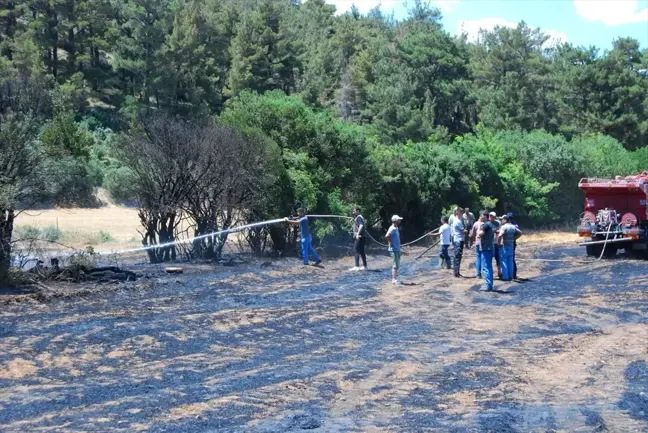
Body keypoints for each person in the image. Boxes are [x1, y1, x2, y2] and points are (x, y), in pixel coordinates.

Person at [498, 214, 522, 281]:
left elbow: (500, 235)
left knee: (504, 261)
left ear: (506, 220)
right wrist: (514, 238)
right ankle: (510, 276)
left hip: (504, 245)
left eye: (503, 219)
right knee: (510, 261)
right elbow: (520, 233)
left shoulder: (504, 227)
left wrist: (499, 243)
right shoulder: (513, 226)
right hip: (511, 245)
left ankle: (505, 276)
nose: (502, 220)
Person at [477, 210, 496, 291]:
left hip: (486, 249)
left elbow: (479, 234)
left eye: (481, 216)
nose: (480, 217)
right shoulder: (491, 224)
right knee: (489, 267)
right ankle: (490, 284)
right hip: (490, 248)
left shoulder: (486, 225)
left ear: (485, 216)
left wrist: (479, 226)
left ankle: (489, 286)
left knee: (486, 267)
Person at [386, 215, 403, 285]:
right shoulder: (392, 228)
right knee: (395, 265)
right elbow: (387, 236)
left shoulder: (396, 228)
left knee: (397, 265)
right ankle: (394, 279)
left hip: (397, 249)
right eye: (399, 220)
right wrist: (390, 242)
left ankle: (395, 278)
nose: (400, 221)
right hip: (394, 249)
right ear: (396, 221)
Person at [349, 207, 367, 271]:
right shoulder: (358, 218)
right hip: (362, 236)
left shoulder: (359, 217)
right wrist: (353, 221)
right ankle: (365, 266)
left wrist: (357, 234)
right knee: (362, 251)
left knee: (356, 249)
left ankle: (356, 266)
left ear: (357, 211)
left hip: (360, 236)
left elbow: (361, 225)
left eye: (354, 211)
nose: (353, 212)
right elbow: (357, 225)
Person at [452, 207, 467, 277]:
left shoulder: (456, 220)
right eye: (461, 213)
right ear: (458, 213)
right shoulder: (458, 221)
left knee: (457, 256)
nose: (462, 214)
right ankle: (456, 272)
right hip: (459, 240)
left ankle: (456, 271)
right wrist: (467, 231)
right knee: (458, 256)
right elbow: (463, 230)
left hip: (457, 240)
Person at [470, 211, 486, 279]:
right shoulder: (485, 224)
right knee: (483, 258)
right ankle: (484, 273)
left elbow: (472, 234)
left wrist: (473, 241)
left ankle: (478, 274)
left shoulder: (475, 224)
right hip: (484, 243)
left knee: (478, 258)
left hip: (477, 242)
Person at [489, 211, 502, 279]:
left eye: (493, 216)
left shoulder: (498, 223)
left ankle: (499, 272)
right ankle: (490, 273)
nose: (491, 217)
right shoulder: (488, 223)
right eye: (491, 216)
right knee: (489, 258)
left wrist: (495, 231)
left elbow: (500, 231)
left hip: (496, 242)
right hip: (490, 243)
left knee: (498, 258)